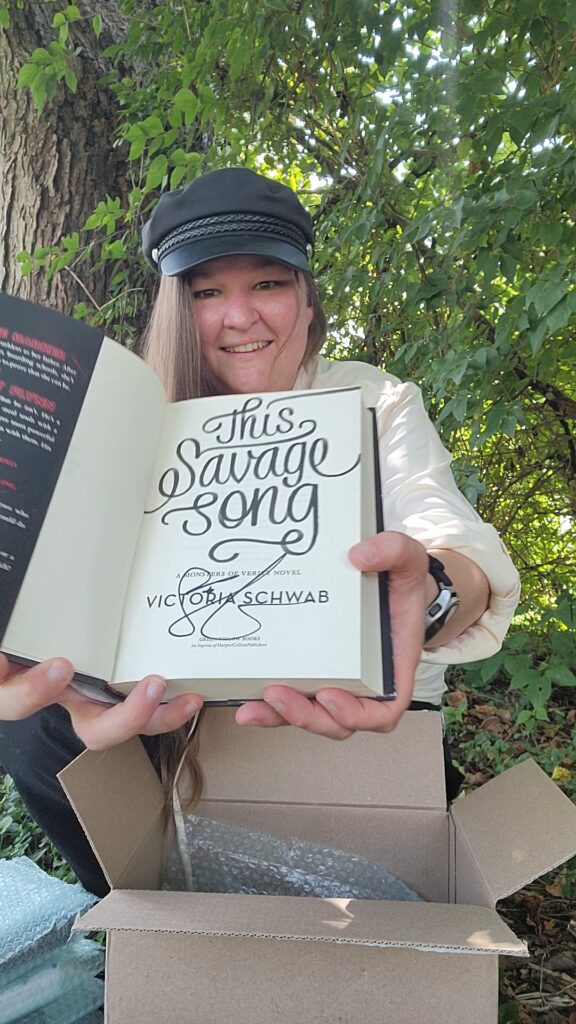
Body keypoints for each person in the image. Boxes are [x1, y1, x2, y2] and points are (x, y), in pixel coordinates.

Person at [0, 167, 520, 896]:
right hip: (185, 724)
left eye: (267, 283)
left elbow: (456, 543)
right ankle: (144, 916)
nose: (239, 316)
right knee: (29, 728)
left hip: (357, 728)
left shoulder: (377, 402)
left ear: (307, 299)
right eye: (206, 292)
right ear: (176, 310)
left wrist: (429, 589)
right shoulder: (136, 422)